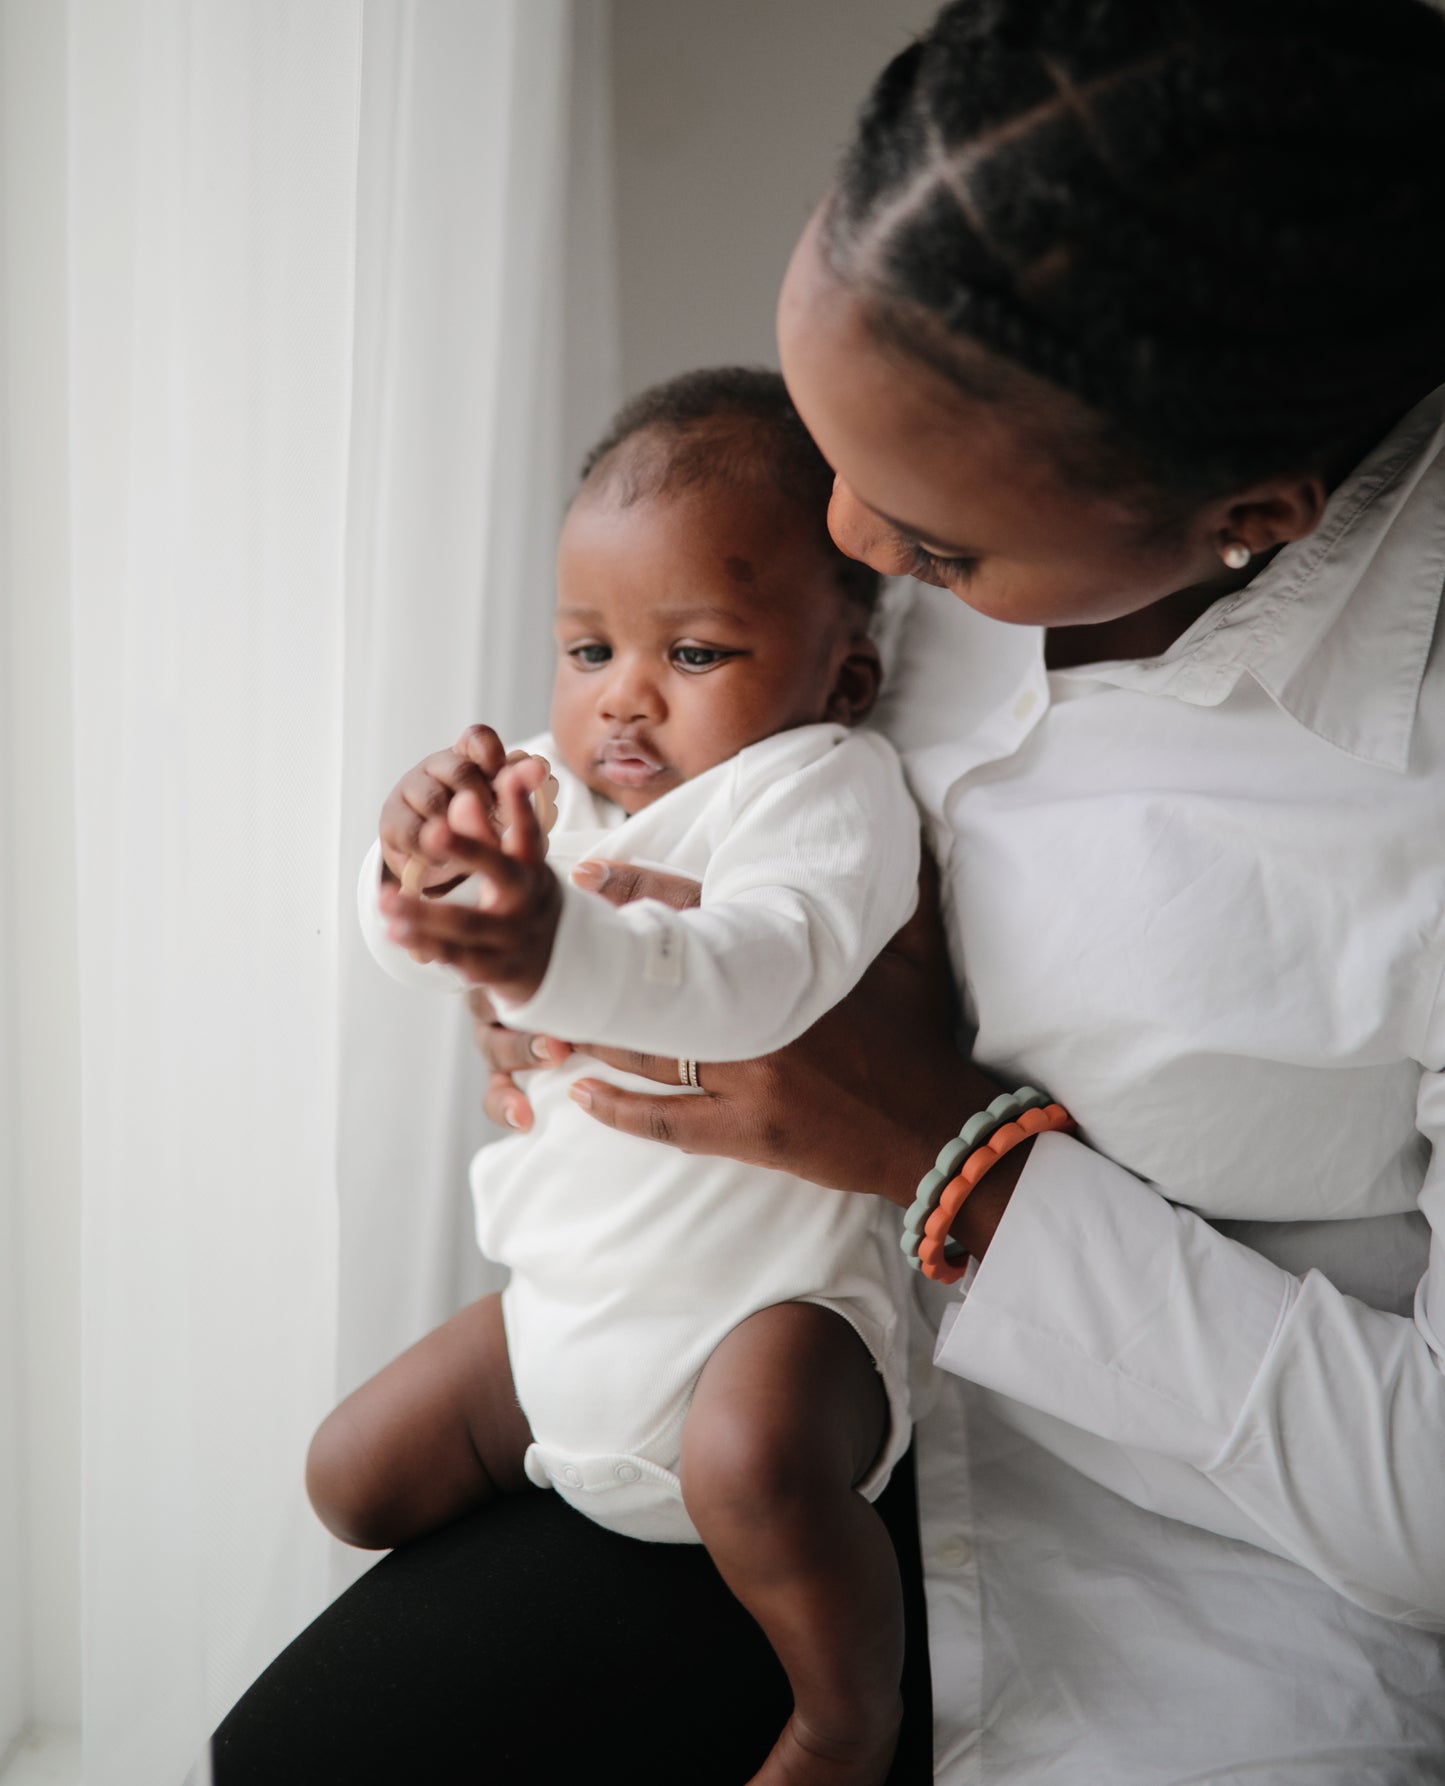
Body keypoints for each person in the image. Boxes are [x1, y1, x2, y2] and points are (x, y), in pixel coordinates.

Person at [213, 1, 1445, 1780]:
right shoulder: (900, 473)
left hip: (1196, 1546)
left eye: (935, 547)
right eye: (821, 436)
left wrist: (946, 1155)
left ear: (1249, 510)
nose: (850, 556)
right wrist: (546, 940)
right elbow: (651, 792)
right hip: (700, 1345)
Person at [306, 367, 924, 1786]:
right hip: (570, 1309)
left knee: (753, 1461)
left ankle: (845, 1715)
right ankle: (570, 1456)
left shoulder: (818, 789)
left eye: (694, 655)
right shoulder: (548, 788)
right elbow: (424, 950)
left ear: (842, 669)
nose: (623, 704)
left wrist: (557, 943)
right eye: (586, 651)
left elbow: (769, 969)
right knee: (351, 1473)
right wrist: (409, 869)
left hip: (762, 1314)